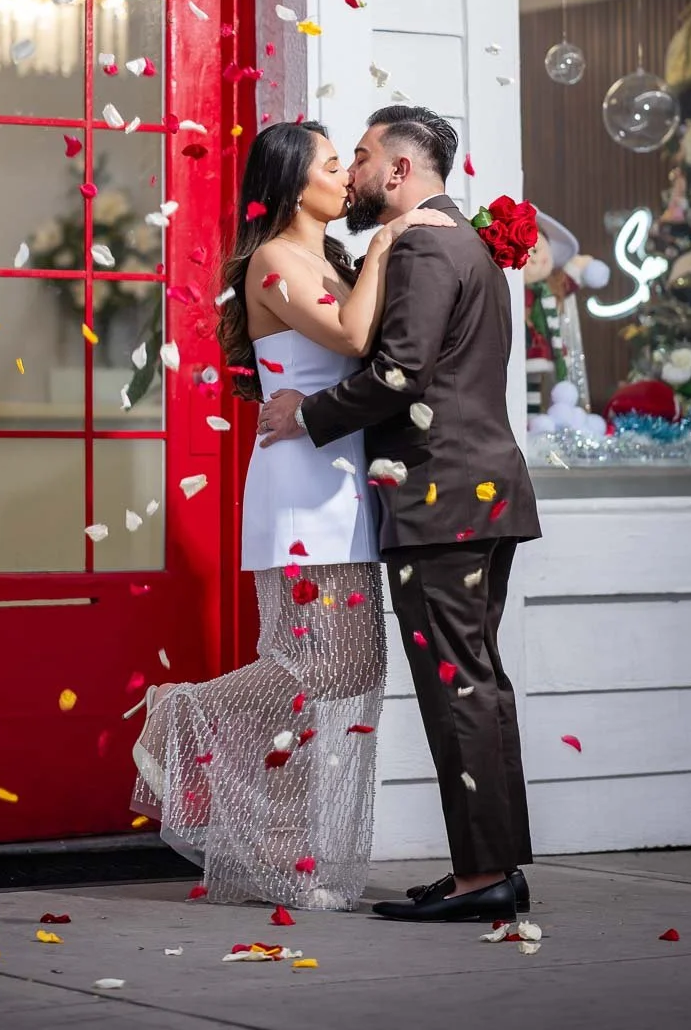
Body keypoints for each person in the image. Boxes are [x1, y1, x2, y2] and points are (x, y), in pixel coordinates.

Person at [130, 120, 453, 910]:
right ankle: (183, 711)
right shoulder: (276, 260)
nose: (348, 178)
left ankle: (287, 853)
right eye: (334, 165)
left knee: (347, 673)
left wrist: (370, 254)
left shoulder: (329, 257)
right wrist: (386, 247)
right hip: (303, 486)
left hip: (337, 473)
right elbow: (356, 334)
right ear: (291, 183)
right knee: (320, 668)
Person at [260, 106, 541, 924]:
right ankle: (488, 871)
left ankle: (482, 875)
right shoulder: (471, 241)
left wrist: (304, 417)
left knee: (459, 688)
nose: (351, 170)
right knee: (479, 684)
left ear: (400, 171)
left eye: (362, 154)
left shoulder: (419, 242)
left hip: (439, 499)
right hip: (484, 491)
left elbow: (398, 376)